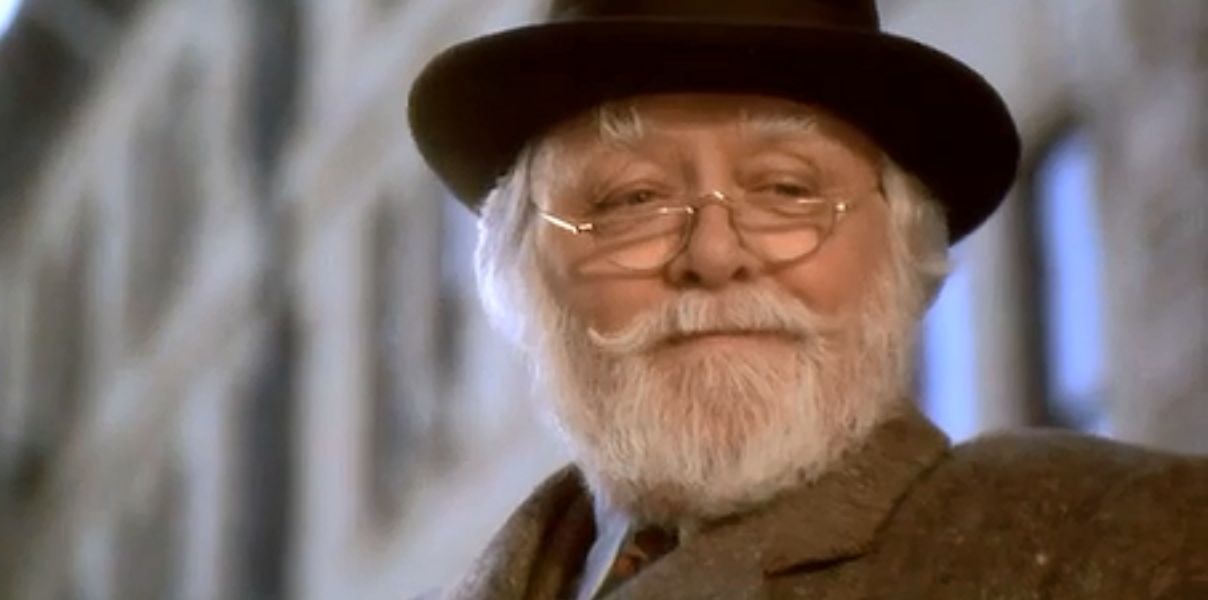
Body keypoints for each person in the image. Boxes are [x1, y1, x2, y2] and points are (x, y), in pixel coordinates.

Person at [407, 1, 1208, 598]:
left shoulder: (1129, 545)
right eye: (632, 200)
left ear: (901, 252)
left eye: (787, 190)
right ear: (524, 270)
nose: (714, 254)